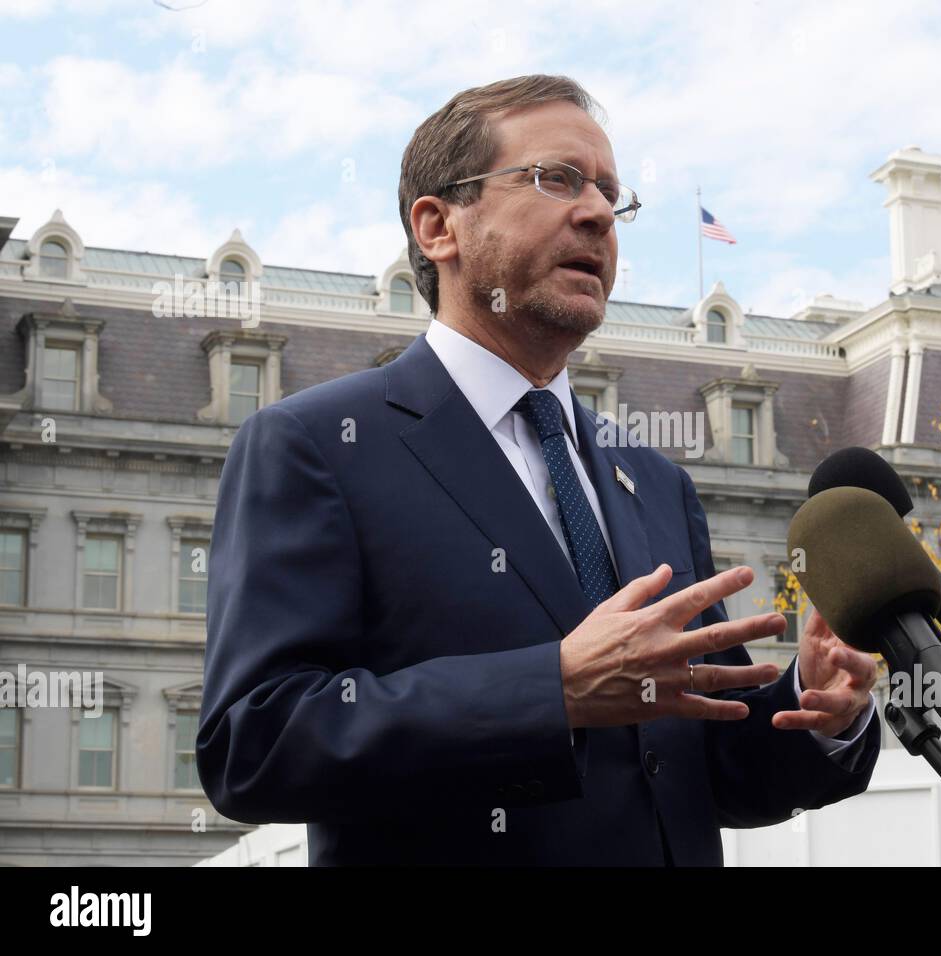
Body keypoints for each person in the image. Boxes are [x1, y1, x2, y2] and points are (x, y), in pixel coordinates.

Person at [198, 74, 882, 865]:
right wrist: (550, 692)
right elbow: (253, 745)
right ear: (437, 226)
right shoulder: (316, 444)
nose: (597, 213)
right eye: (555, 179)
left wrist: (816, 706)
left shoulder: (655, 481)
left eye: (611, 196)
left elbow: (707, 772)